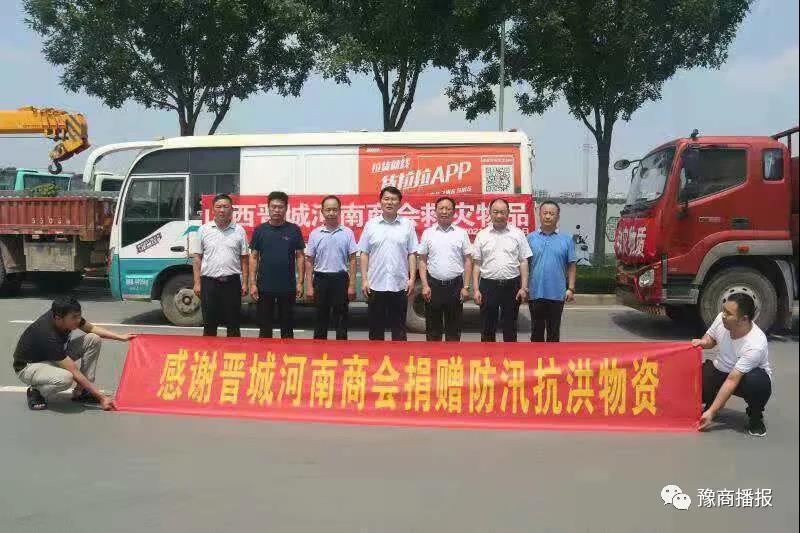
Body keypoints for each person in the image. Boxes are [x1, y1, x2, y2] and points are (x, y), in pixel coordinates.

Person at [12, 297, 135, 411]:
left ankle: (82, 392)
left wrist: (120, 337)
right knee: (66, 378)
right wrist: (101, 397)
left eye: (79, 316)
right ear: (58, 318)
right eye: (74, 317)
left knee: (93, 339)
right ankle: (36, 391)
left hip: (52, 358)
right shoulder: (47, 334)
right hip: (29, 367)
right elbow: (74, 371)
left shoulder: (63, 313)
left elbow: (91, 329)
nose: (78, 320)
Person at [693, 293, 772, 436]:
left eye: (728, 314)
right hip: (721, 369)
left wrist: (711, 413)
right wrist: (703, 342)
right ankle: (712, 401)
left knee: (758, 383)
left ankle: (755, 416)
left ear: (744, 319)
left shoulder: (755, 344)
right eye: (723, 310)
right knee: (696, 376)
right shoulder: (722, 319)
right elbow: (711, 338)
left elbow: (732, 380)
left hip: (744, 379)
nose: (723, 315)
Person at [358, 185, 418, 341]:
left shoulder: (407, 225)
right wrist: (364, 279)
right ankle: (376, 356)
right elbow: (364, 253)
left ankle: (399, 357)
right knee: (375, 329)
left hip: (399, 285)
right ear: (380, 202)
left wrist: (412, 279)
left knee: (399, 330)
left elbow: (412, 253)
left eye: (393, 199)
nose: (389, 202)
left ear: (399, 203)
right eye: (386, 199)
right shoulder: (371, 225)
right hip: (375, 285)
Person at [472, 198, 532, 342]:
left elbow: (523, 261)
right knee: (487, 328)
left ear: (508, 213)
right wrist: (476, 289)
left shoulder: (517, 234)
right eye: (495, 212)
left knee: (510, 328)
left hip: (511, 285)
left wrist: (523, 287)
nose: (499, 215)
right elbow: (477, 264)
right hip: (488, 285)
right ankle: (488, 356)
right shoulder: (482, 234)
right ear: (490, 213)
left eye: (502, 212)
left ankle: (510, 356)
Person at [189, 193, 249, 337]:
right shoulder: (204, 230)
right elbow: (197, 258)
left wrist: (245, 283)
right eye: (219, 206)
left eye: (226, 206)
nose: (222, 210)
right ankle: (209, 351)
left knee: (233, 324)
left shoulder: (239, 230)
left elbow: (244, 259)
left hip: (232, 283)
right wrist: (197, 283)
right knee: (209, 324)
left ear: (232, 209)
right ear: (213, 209)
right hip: (209, 282)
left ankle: (233, 351)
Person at [249, 191, 305, 338]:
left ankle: (286, 353)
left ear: (286, 208)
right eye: (273, 207)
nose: (276, 210)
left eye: (280, 207)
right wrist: (253, 283)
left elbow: (300, 256)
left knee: (287, 328)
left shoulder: (294, 230)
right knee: (265, 328)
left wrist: (300, 283)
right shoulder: (260, 230)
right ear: (268, 208)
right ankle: (265, 353)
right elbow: (253, 257)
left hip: (287, 287)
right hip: (264, 287)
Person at [417, 196, 473, 341]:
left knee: (453, 330)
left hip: (455, 286)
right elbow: (422, 260)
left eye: (448, 208)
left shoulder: (461, 233)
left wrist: (466, 287)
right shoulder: (428, 233)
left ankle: (452, 356)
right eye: (441, 208)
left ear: (453, 212)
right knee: (433, 330)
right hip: (433, 285)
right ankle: (433, 355)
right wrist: (425, 285)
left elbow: (468, 260)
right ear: (435, 211)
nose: (444, 211)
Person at [304, 195, 358, 340]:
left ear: (340, 211)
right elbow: (309, 261)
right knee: (320, 319)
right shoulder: (315, 234)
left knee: (341, 320)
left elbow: (353, 260)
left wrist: (352, 285)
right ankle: (319, 351)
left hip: (340, 279)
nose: (331, 213)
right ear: (322, 211)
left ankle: (341, 350)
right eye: (328, 210)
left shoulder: (347, 233)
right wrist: (309, 287)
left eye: (335, 209)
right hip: (321, 279)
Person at [527, 201, 576, 342]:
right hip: (535, 293)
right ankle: (536, 357)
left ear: (558, 217)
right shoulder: (530, 238)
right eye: (545, 213)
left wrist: (570, 288)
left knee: (553, 333)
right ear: (539, 215)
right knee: (536, 333)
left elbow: (571, 265)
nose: (548, 216)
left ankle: (553, 357)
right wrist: (524, 287)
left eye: (552, 213)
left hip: (557, 294)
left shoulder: (566, 240)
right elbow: (524, 265)